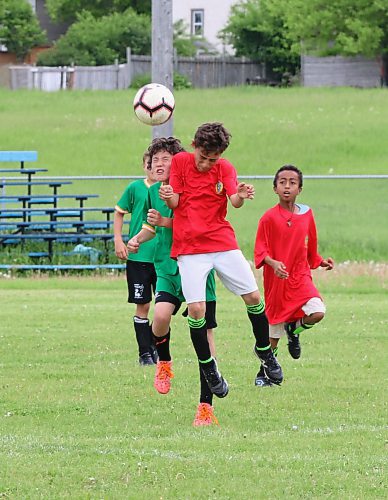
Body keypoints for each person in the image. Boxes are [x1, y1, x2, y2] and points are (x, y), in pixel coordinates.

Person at [159, 122, 283, 395]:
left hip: (222, 242)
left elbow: (234, 201)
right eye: (203, 157)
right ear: (194, 147)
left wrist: (240, 194)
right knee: (196, 310)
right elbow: (175, 204)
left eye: (212, 159)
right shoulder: (180, 162)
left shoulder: (224, 167)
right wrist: (168, 195)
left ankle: (265, 352)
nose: (206, 164)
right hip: (190, 248)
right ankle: (209, 367)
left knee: (253, 297)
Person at [128, 137, 219, 426]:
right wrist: (137, 239)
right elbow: (150, 227)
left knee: (205, 338)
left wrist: (165, 222)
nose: (159, 164)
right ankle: (164, 362)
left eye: (165, 159)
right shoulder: (153, 192)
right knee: (160, 315)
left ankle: (206, 406)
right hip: (168, 267)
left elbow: (198, 224)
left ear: (179, 164)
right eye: (155, 160)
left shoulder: (193, 188)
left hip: (198, 266)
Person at [254, 164, 334, 386]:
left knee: (317, 312)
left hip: (300, 277)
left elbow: (312, 247)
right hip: (277, 281)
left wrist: (320, 261)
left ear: (300, 188)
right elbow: (260, 250)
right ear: (275, 188)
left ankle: (294, 329)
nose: (287, 186)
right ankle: (265, 373)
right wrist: (273, 263)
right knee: (274, 332)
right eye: (282, 182)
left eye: (292, 182)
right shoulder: (268, 218)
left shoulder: (307, 214)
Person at [114, 151, 158, 366]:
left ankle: (154, 346)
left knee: (165, 307)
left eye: (157, 162)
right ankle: (145, 353)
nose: (153, 167)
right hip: (139, 256)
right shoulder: (135, 188)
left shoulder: (169, 191)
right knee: (144, 306)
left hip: (163, 257)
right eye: (149, 163)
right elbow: (120, 212)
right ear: (144, 166)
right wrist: (118, 240)